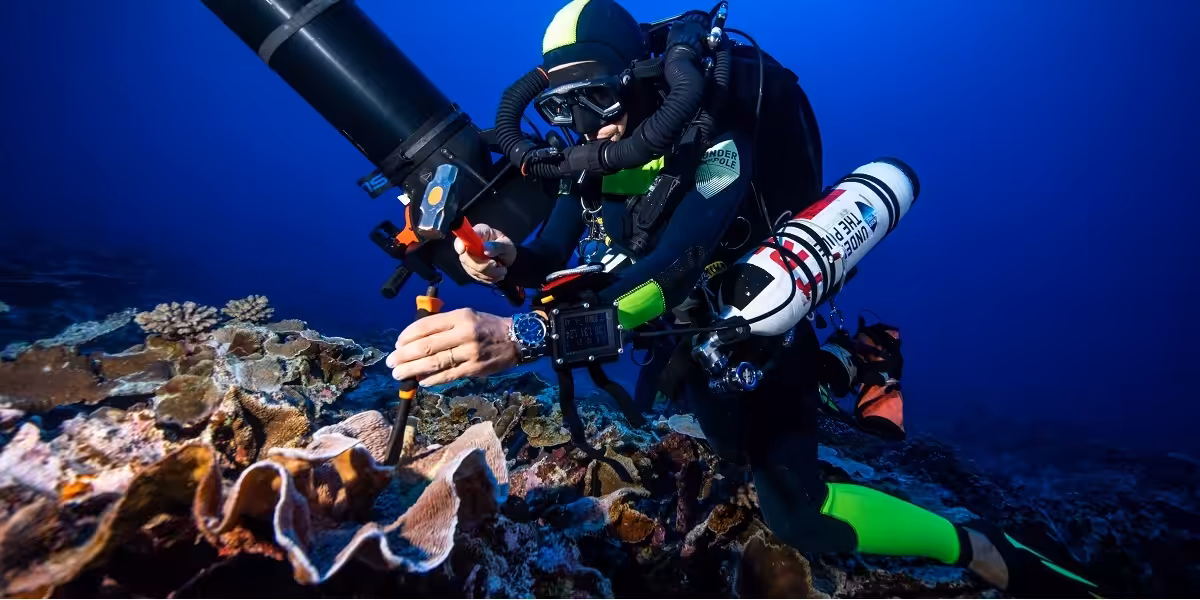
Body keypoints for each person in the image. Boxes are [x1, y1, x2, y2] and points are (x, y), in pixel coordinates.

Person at [384, 1, 1107, 596]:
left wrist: (530, 338)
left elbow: (680, 262)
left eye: (598, 98)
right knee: (722, 438)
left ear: (638, 77)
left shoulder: (712, 123)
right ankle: (843, 372)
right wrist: (506, 261)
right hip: (670, 324)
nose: (588, 127)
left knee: (798, 514)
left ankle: (979, 545)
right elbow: (551, 258)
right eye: (565, 107)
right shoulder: (592, 151)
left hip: (746, 310)